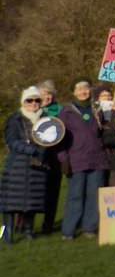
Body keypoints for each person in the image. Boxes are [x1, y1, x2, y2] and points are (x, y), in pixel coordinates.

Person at [2, 87, 53, 242]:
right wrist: (31, 150)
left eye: (37, 100)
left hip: (36, 166)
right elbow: (12, 141)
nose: (33, 103)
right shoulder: (15, 119)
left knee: (33, 200)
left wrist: (42, 151)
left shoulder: (46, 119)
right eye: (29, 100)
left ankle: (28, 231)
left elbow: (51, 138)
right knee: (10, 204)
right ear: (23, 102)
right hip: (17, 166)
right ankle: (6, 233)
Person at [59, 78, 108, 240]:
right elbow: (58, 138)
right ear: (74, 92)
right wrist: (63, 158)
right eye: (79, 89)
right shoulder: (66, 112)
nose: (83, 92)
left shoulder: (97, 109)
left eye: (86, 88)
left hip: (97, 159)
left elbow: (105, 131)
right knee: (75, 195)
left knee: (94, 196)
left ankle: (89, 228)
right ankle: (69, 230)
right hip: (76, 160)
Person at [37, 80, 64, 235]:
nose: (47, 97)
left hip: (55, 157)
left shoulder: (60, 110)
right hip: (37, 157)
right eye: (44, 94)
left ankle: (48, 225)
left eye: (50, 94)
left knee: (52, 193)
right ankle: (25, 225)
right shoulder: (32, 109)